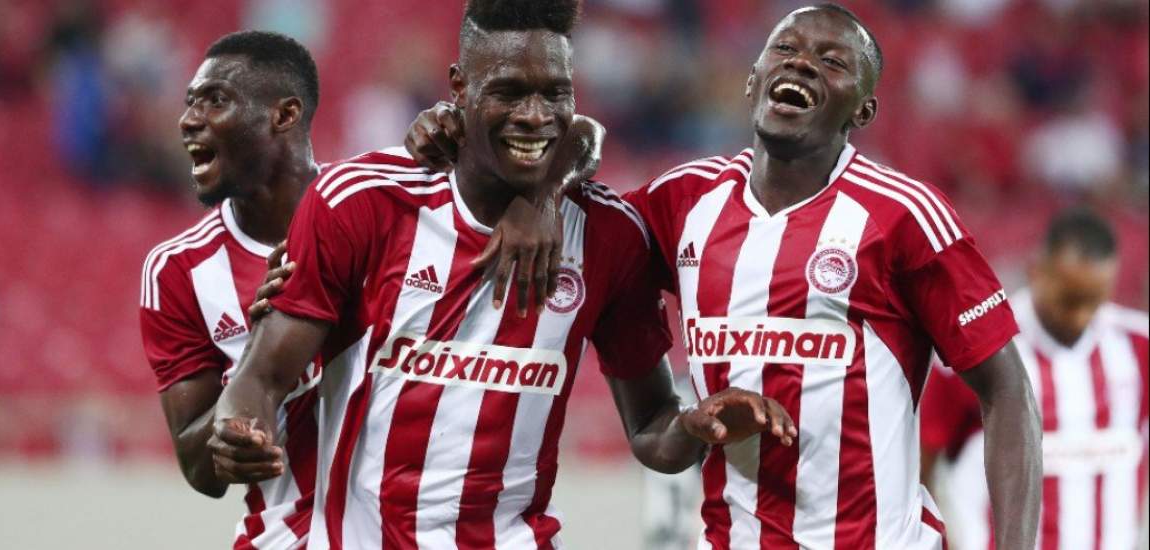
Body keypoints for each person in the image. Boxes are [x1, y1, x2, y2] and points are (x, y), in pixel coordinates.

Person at [407, 3, 1043, 548]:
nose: (802, 64)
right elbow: (583, 154)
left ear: (865, 108)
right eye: (785, 50)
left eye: (832, 61)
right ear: (752, 79)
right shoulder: (685, 201)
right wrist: (516, 173)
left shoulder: (903, 216)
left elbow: (1007, 388)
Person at [210, 1, 796, 548]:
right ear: (459, 88)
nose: (536, 116)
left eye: (555, 93)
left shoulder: (608, 235)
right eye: (509, 92)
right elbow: (262, 377)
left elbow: (650, 426)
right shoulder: (363, 202)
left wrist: (693, 427)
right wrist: (241, 429)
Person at [138, 30, 323, 549]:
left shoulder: (376, 210)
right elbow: (200, 470)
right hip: (285, 537)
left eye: (215, 100)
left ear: (284, 115)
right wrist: (258, 362)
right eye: (189, 102)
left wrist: (523, 207)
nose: (188, 119)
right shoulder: (177, 270)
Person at [921, 208, 1148, 550]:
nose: (1080, 316)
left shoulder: (1138, 347)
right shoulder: (980, 351)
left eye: (1093, 301)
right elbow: (921, 465)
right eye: (1069, 301)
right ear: (1036, 271)